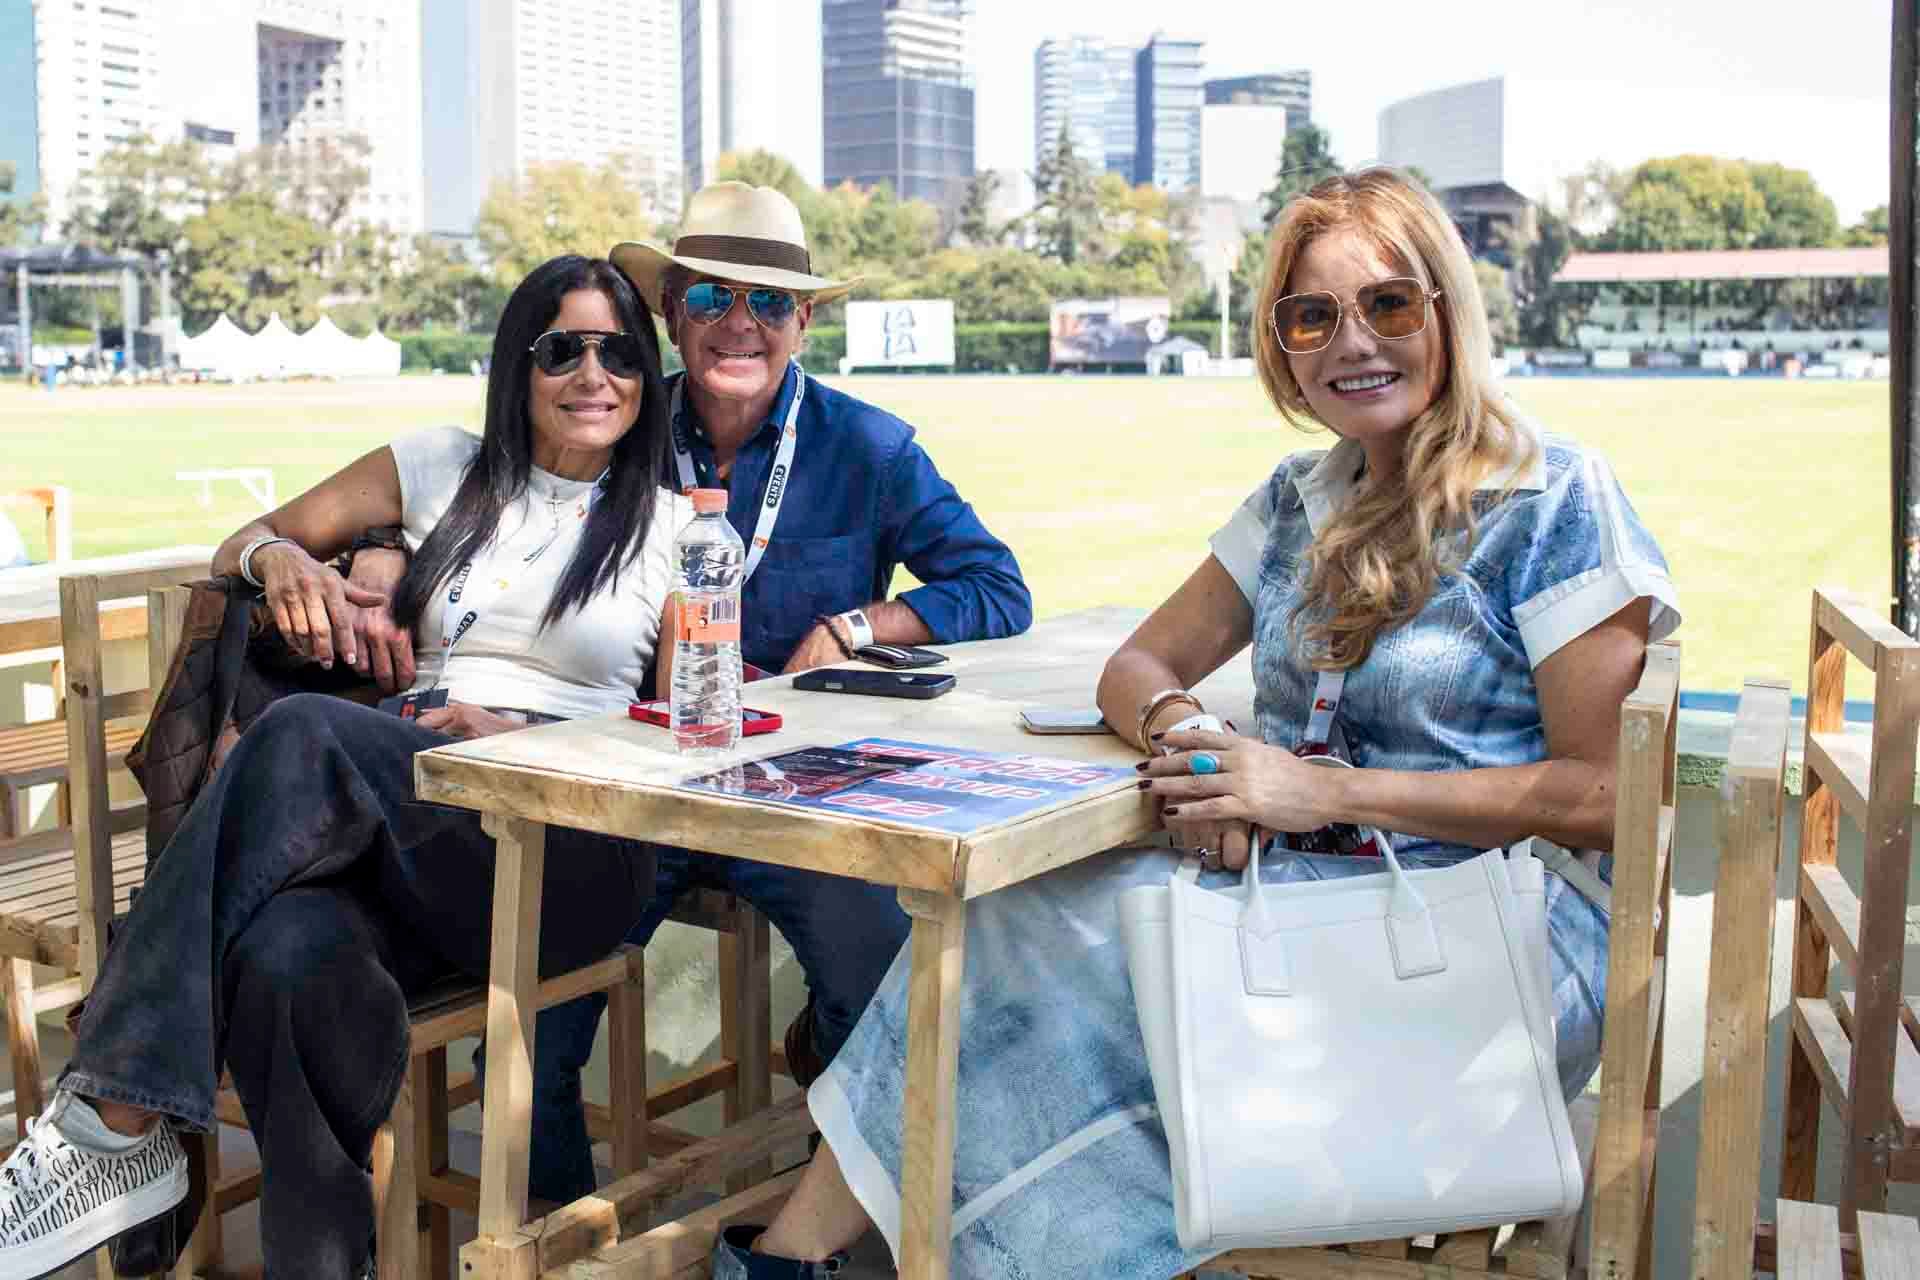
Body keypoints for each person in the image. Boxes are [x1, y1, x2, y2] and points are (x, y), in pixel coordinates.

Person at [709, 168, 1681, 1279]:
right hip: (1305, 897)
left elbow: (1608, 795)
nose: (1353, 342)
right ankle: (801, 1258)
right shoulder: (1298, 500)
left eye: (1388, 304)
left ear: (1448, 312)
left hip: (1493, 942)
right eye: (1313, 317)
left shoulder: (1552, 498)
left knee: (1073, 980)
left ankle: (799, 1259)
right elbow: (1138, 665)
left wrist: (1316, 791)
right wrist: (1196, 745)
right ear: (1283, 345)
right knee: (1011, 923)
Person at [0, 254, 690, 1280]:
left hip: (567, 843)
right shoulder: (439, 465)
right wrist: (278, 559)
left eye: (621, 353)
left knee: (304, 734)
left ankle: (115, 1107)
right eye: (563, 349)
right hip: (413, 819)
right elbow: (249, 539)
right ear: (519, 363)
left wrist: (526, 738)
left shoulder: (681, 529)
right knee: (289, 957)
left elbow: (684, 743)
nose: (594, 375)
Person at [342, 180, 1032, 1204]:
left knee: (883, 983)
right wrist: (376, 543)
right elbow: (493, 495)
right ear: (671, 313)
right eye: (711, 297)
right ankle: (561, 1247)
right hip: (633, 784)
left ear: (806, 320)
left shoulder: (870, 446)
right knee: (528, 1035)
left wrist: (857, 624)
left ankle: (819, 1211)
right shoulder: (616, 410)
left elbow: (997, 587)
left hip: (795, 791)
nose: (739, 323)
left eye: (769, 302)